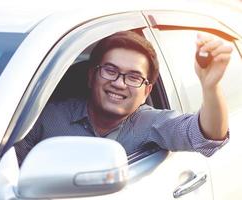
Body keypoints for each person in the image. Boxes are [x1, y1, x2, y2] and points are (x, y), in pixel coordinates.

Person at [14, 31, 232, 166]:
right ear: (91, 76)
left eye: (134, 77)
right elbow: (7, 173)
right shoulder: (47, 116)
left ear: (146, 92)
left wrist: (210, 86)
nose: (119, 83)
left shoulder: (150, 123)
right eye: (110, 70)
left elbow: (206, 136)